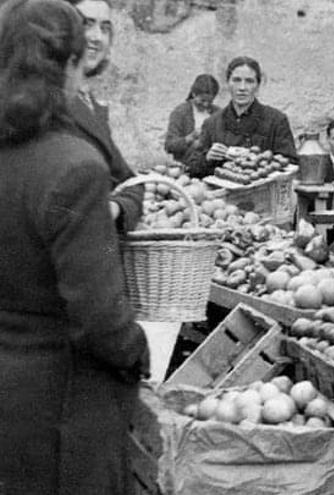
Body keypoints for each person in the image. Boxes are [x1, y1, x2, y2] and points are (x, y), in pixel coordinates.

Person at [0, 1, 149, 494]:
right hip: (62, 410)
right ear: (67, 65)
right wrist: (136, 354)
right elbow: (100, 318)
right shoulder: (75, 168)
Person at [65, 0, 143, 233]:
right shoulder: (47, 101)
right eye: (85, 24)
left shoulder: (92, 105)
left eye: (105, 28)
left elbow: (131, 183)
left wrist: (116, 208)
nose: (96, 37)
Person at [186, 56, 298, 178]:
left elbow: (291, 165)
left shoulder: (276, 120)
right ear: (228, 83)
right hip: (222, 195)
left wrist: (256, 159)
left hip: (263, 194)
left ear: (258, 86)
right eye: (236, 80)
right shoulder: (212, 123)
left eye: (249, 81)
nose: (242, 88)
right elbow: (192, 169)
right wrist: (207, 158)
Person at [165, 73, 221, 162]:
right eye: (202, 100)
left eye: (210, 101)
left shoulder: (217, 113)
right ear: (194, 94)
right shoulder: (181, 113)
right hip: (186, 165)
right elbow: (169, 146)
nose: (206, 104)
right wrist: (190, 138)